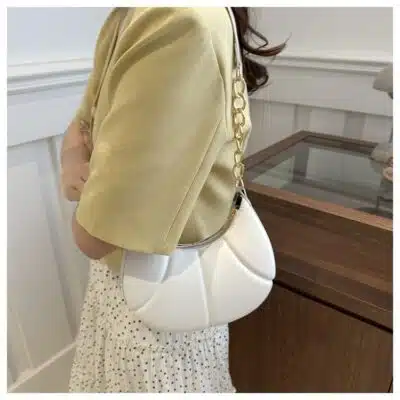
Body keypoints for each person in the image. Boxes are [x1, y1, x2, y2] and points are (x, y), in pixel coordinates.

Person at [61, 7, 285, 393]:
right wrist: (75, 159)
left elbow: (93, 236)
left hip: (156, 308)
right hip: (146, 288)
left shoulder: (177, 19)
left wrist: (79, 174)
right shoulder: (134, 15)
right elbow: (83, 125)